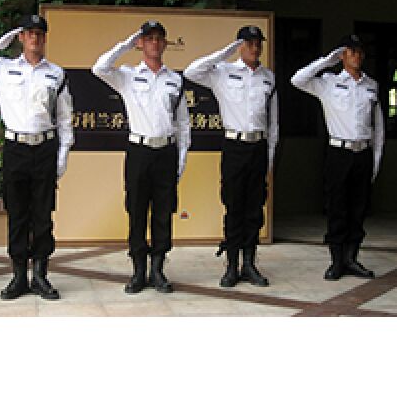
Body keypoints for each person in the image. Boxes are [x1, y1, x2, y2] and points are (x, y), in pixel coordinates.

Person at [0, 14, 74, 299]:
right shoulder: (2, 69)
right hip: (16, 149)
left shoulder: (56, 74)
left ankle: (41, 277)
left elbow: (65, 119)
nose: (35, 38)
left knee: (43, 216)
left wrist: (63, 155)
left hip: (45, 149)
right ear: (21, 37)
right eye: (29, 33)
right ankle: (19, 277)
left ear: (45, 38)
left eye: (39, 33)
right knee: (18, 214)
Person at [92, 21, 190, 294]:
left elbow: (183, 125)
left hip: (166, 152)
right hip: (139, 151)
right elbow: (99, 67)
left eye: (159, 38)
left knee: (163, 212)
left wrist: (181, 159)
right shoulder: (127, 75)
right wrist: (127, 42)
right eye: (148, 39)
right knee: (136, 211)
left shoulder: (175, 80)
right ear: (140, 43)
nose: (154, 43)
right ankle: (138, 271)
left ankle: (157, 269)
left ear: (165, 43)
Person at [184, 26, 278, 287]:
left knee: (254, 208)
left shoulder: (268, 78)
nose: (255, 48)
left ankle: (250, 263)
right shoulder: (222, 72)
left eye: (258, 43)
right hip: (234, 146)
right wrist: (227, 51)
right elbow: (192, 71)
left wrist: (269, 158)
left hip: (258, 147)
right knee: (234, 206)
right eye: (249, 43)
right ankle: (232, 265)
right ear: (240, 46)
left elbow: (274, 124)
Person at [291, 34, 384, 280]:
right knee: (337, 208)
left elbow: (378, 127)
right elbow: (297, 80)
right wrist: (326, 61)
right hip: (338, 153)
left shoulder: (371, 85)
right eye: (351, 51)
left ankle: (352, 258)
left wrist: (375, 160)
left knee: (358, 209)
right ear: (342, 55)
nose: (357, 55)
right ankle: (336, 261)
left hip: (363, 153)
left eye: (359, 51)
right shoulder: (329, 83)